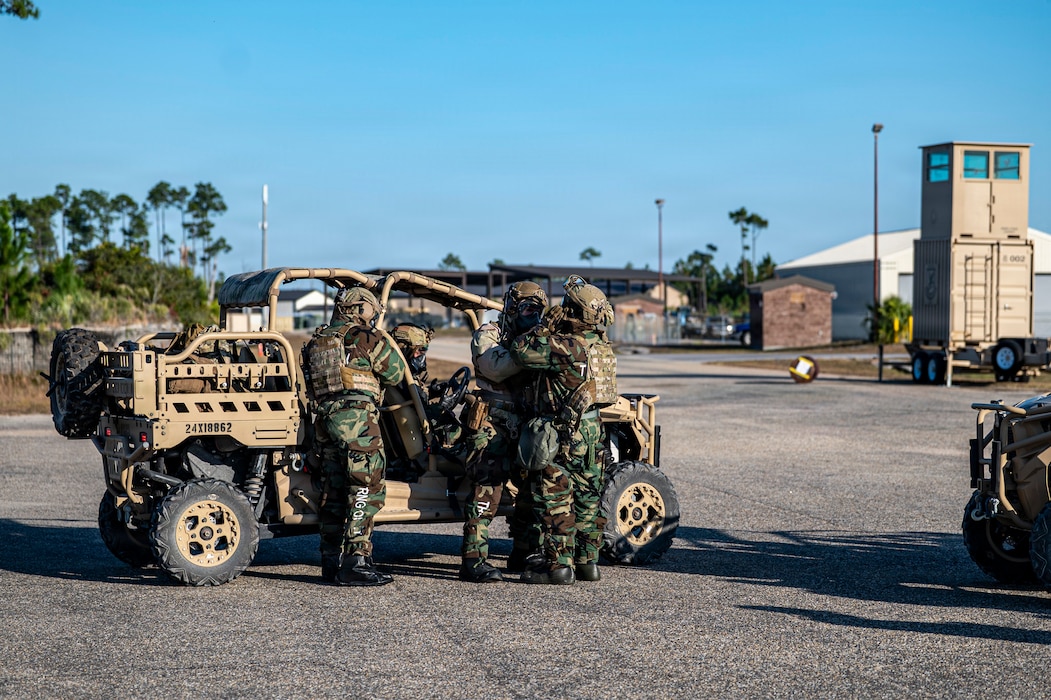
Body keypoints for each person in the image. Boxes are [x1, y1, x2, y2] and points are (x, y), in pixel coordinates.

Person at [510, 275, 617, 585]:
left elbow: (521, 349)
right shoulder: (600, 346)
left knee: (555, 497)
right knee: (587, 497)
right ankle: (587, 563)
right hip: (593, 432)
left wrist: (545, 324)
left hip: (563, 434)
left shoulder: (566, 346)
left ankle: (558, 566)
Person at [302, 286, 407, 587]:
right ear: (359, 309)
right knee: (365, 486)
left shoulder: (318, 341)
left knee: (334, 491)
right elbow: (396, 373)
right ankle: (356, 561)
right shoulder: (362, 337)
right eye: (372, 309)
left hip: (326, 422)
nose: (374, 315)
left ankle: (330, 560)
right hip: (357, 422)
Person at [458, 282, 548, 583]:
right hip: (492, 422)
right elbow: (494, 367)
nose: (532, 316)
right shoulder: (490, 334)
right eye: (526, 309)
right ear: (511, 309)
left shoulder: (539, 338)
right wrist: (529, 349)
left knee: (530, 494)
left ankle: (526, 553)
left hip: (526, 423)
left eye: (538, 310)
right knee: (486, 491)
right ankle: (474, 560)